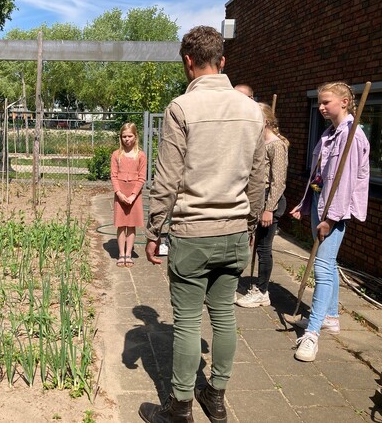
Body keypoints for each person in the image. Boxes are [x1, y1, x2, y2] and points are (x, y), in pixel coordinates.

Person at [139, 26, 265, 423]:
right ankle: (217, 396)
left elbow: (168, 178)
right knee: (225, 316)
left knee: (188, 322)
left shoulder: (181, 109)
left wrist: (155, 230)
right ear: (222, 61)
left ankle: (179, 408)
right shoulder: (252, 111)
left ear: (188, 61)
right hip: (233, 233)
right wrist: (248, 224)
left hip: (193, 232)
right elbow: (259, 177)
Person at [289, 82, 370, 362]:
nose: (321, 107)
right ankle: (330, 317)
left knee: (322, 269)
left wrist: (331, 219)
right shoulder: (329, 135)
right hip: (320, 207)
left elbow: (346, 184)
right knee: (329, 264)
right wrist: (305, 204)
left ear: (345, 102)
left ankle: (312, 334)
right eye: (320, 102)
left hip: (333, 214)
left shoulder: (353, 136)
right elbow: (318, 176)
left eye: (326, 102)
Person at [236, 103, 289, 308]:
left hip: (270, 200)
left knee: (263, 249)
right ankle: (252, 285)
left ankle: (262, 291)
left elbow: (278, 181)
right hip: (256, 197)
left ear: (265, 121)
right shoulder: (259, 143)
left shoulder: (277, 145)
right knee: (252, 244)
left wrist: (269, 208)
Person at [110, 122, 147, 267]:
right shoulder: (116, 155)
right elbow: (113, 175)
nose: (127, 139)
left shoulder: (141, 155)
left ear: (135, 136)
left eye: (130, 136)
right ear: (121, 137)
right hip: (120, 193)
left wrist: (133, 195)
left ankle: (128, 254)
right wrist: (118, 193)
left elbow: (142, 177)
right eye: (124, 136)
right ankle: (120, 254)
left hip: (134, 195)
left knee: (131, 225)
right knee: (121, 225)